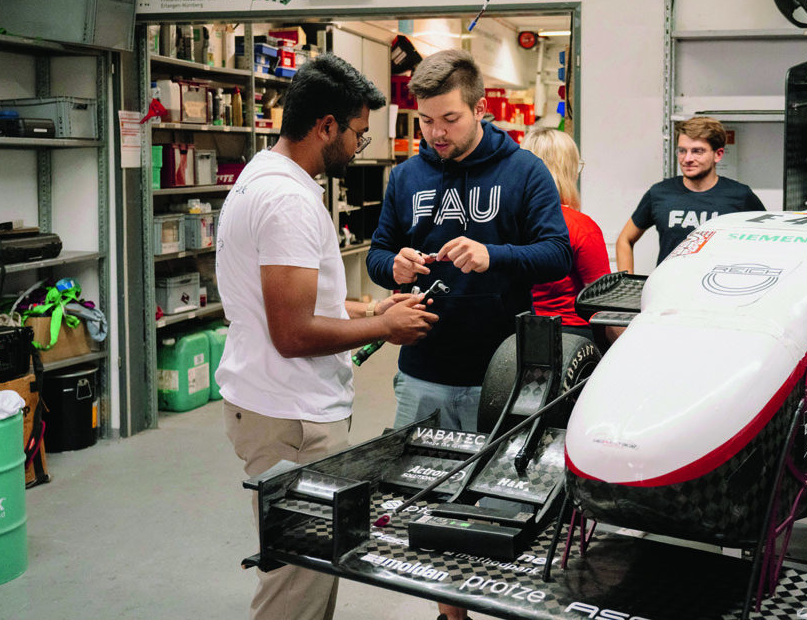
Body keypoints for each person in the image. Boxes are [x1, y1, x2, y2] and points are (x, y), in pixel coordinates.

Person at [215, 53, 437, 620]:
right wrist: (384, 326)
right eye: (358, 135)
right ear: (326, 126)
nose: (358, 148)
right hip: (289, 415)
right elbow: (291, 332)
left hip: (268, 400)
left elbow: (298, 302)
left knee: (301, 570)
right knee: (297, 582)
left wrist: (370, 306)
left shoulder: (261, 176)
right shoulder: (288, 201)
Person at [367, 49, 571, 620]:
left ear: (480, 108)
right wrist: (395, 267)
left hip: (500, 377)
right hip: (424, 374)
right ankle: (449, 615)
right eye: (425, 120)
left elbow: (556, 253)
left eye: (449, 119)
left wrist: (493, 254)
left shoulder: (523, 171)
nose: (435, 133)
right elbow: (378, 254)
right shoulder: (407, 175)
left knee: (499, 506)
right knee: (423, 505)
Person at [616, 117, 766, 272]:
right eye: (682, 151)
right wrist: (628, 284)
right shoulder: (659, 193)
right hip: (668, 290)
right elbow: (625, 240)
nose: (687, 159)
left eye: (697, 151)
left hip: (719, 290)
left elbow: (768, 245)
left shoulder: (740, 195)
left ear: (718, 154)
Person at [521, 127, 613, 342]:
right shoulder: (580, 227)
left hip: (519, 334)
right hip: (571, 337)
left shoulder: (507, 222)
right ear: (568, 170)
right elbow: (602, 304)